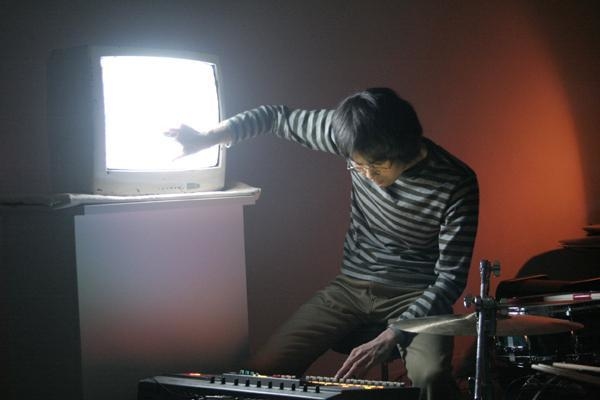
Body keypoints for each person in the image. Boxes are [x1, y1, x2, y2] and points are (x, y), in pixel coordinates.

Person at [166, 88, 479, 400]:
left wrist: (394, 334)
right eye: (358, 165)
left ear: (404, 147)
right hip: (351, 287)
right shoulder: (353, 132)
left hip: (417, 294)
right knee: (259, 373)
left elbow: (450, 279)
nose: (368, 175)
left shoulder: (456, 182)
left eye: (378, 165)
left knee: (431, 377)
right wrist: (207, 137)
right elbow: (275, 117)